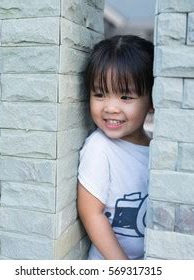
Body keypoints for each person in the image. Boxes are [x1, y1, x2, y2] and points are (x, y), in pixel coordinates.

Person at [77, 35, 154, 260]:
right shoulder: (100, 148)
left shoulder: (155, 148)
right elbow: (91, 213)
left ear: (151, 101)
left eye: (125, 96)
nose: (111, 108)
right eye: (100, 94)